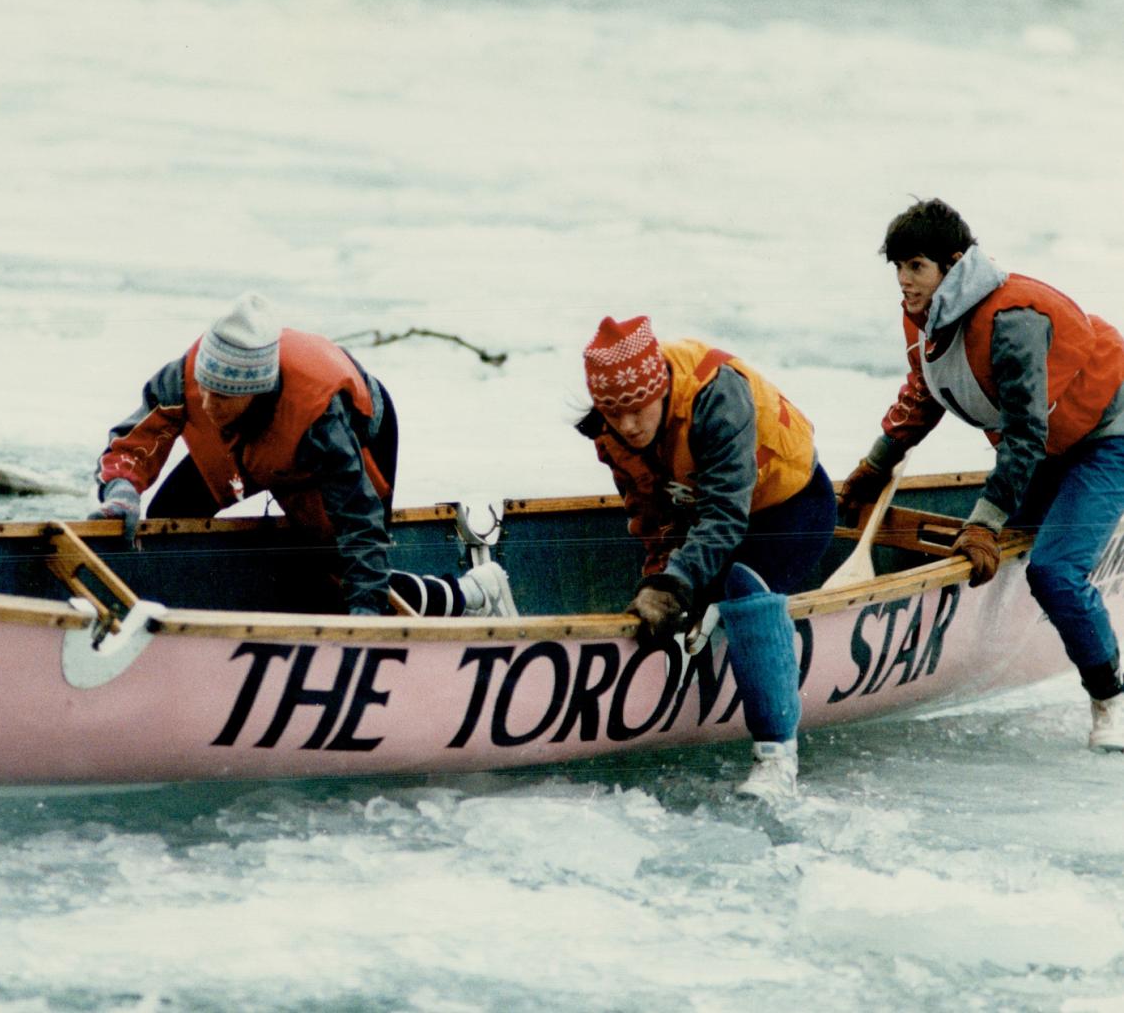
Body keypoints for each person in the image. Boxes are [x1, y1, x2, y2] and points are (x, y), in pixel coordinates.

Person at [838, 198, 1124, 751]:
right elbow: (922, 395)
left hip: (1107, 434)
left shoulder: (1011, 321)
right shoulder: (924, 316)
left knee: (1053, 572)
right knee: (994, 532)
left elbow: (1023, 436)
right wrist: (875, 465)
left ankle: (1110, 697)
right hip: (1050, 442)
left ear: (952, 264)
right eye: (896, 267)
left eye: (916, 267)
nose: (904, 281)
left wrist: (984, 523)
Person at [90, 292, 515, 618]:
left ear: (251, 392)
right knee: (168, 524)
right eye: (203, 388)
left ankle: (471, 593)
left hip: (331, 447)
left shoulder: (321, 421)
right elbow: (135, 440)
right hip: (239, 448)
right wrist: (122, 491)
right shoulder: (190, 377)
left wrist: (364, 619)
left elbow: (360, 526)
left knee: (337, 580)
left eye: (219, 396)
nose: (204, 405)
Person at [576, 315, 837, 802]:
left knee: (742, 585)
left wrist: (676, 584)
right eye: (615, 414)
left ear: (661, 391)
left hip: (791, 505)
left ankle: (777, 759)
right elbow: (651, 515)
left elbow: (722, 520)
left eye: (638, 409)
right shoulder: (611, 430)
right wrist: (660, 579)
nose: (628, 426)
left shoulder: (716, 396)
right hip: (709, 514)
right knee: (676, 586)